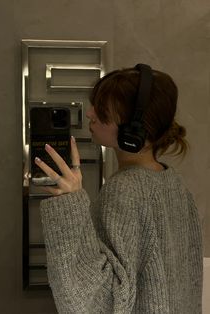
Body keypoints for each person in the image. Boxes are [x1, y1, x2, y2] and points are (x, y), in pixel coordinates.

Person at [34, 64, 203, 314]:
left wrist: (69, 204)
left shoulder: (124, 190)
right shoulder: (174, 183)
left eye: (102, 110)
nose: (90, 113)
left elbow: (96, 303)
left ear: (132, 129)